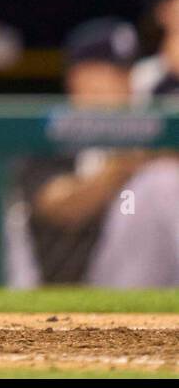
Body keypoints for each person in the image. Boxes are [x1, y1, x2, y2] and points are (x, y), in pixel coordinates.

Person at [26, 18, 179, 287]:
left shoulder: (148, 128)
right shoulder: (50, 133)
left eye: (126, 71)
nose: (122, 82)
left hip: (143, 275)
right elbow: (61, 209)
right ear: (77, 76)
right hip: (64, 281)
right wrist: (122, 168)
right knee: (159, 182)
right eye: (108, 71)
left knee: (163, 180)